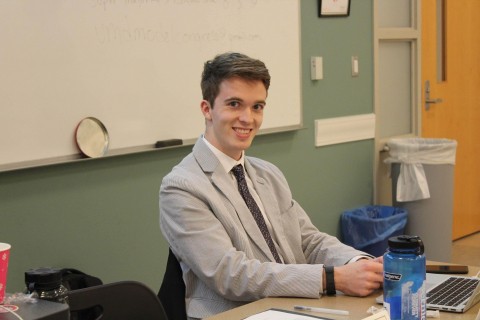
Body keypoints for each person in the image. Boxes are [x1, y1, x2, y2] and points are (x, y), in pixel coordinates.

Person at [159, 52, 383, 319]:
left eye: (257, 107)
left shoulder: (268, 173)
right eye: (234, 104)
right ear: (207, 109)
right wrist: (332, 279)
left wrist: (360, 264)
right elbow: (230, 274)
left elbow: (309, 241)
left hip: (294, 307)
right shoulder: (182, 187)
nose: (248, 119)